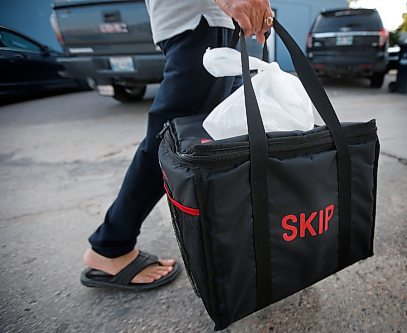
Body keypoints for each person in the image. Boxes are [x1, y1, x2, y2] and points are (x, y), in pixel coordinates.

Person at [80, 0, 273, 290]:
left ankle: (230, 238)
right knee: (168, 146)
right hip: (200, 24)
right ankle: (110, 247)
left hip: (210, 26)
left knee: (218, 138)